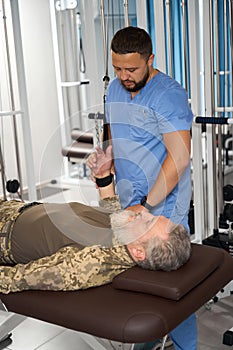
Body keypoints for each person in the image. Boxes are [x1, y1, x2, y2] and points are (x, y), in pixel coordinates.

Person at [87, 26, 196, 350]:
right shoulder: (117, 88)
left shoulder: (168, 95)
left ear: (150, 59)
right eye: (117, 68)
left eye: (132, 68)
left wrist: (147, 207)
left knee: (172, 283)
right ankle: (145, 343)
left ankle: (186, 348)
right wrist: (108, 156)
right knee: (138, 279)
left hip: (163, 205)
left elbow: (178, 158)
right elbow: (113, 124)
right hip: (129, 198)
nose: (124, 75)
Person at [0, 195, 191, 295]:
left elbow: (16, 279)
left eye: (148, 223)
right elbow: (111, 212)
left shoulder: (92, 262)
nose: (144, 213)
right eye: (152, 216)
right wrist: (102, 178)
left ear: (139, 252)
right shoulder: (125, 231)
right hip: (13, 208)